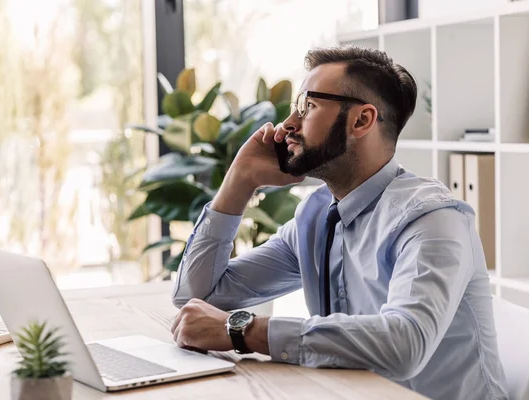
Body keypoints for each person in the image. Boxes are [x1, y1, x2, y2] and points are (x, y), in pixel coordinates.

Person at [170, 46, 508, 400]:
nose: (287, 125)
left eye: (308, 106)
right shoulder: (315, 218)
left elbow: (405, 343)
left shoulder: (432, 218)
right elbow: (196, 297)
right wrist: (239, 182)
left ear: (361, 121)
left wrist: (243, 331)